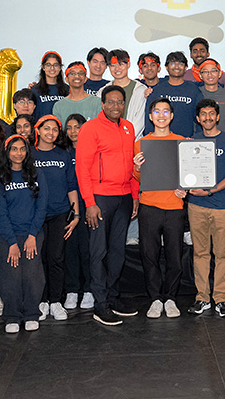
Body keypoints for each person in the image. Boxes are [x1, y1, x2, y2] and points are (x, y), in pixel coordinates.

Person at [75, 86, 140, 326]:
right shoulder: (90, 128)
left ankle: (112, 298)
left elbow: (132, 166)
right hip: (100, 199)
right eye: (111, 102)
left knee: (117, 252)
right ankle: (100, 304)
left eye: (120, 102)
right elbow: (82, 168)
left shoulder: (128, 127)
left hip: (124, 198)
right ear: (102, 104)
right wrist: (90, 203)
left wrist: (134, 195)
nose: (115, 106)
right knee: (98, 252)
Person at [186, 100, 225, 318]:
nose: (207, 117)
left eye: (211, 114)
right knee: (200, 253)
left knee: (222, 254)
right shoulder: (191, 142)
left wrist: (209, 191)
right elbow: (185, 173)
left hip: (222, 207)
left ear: (218, 117)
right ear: (197, 119)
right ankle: (202, 298)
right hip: (196, 206)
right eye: (203, 114)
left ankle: (221, 299)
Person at [133, 98, 186, 319]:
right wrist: (137, 168)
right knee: (149, 255)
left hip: (174, 207)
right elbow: (138, 179)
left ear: (171, 116)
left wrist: (185, 188)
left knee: (175, 255)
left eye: (165, 111)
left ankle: (171, 298)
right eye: (157, 111)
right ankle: (155, 298)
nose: (161, 115)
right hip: (149, 206)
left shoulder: (182, 142)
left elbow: (188, 173)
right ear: (150, 116)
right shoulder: (141, 143)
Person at [0, 135, 48, 333]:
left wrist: (32, 235)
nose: (18, 153)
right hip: (7, 235)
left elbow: (42, 205)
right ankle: (12, 316)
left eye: (22, 149)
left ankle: (31, 313)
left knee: (32, 275)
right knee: (10, 276)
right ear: (6, 152)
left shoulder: (36, 173)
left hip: (32, 233)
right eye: (14, 149)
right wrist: (12, 242)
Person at [32, 115, 81, 322]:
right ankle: (42, 300)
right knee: (39, 259)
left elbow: (71, 186)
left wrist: (76, 214)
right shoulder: (29, 154)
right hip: (35, 216)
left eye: (54, 129)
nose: (50, 133)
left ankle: (56, 301)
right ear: (38, 130)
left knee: (57, 258)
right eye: (46, 128)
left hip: (59, 213)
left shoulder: (63, 154)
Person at [62, 113, 94, 310]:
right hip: (68, 210)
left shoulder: (92, 150)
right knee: (70, 250)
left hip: (89, 206)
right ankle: (72, 290)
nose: (73, 131)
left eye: (77, 127)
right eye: (69, 127)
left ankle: (89, 290)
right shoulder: (62, 152)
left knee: (88, 250)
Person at [144, 51, 204, 138]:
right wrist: (150, 140)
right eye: (172, 64)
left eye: (180, 64)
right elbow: (149, 120)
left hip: (185, 141)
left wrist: (196, 138)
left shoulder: (194, 90)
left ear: (185, 68)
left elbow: (201, 117)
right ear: (166, 67)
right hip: (160, 141)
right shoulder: (157, 91)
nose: (176, 67)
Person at [100, 49, 148, 139]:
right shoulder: (102, 91)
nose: (117, 69)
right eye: (113, 65)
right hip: (107, 141)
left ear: (128, 64)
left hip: (133, 142)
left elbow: (140, 121)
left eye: (121, 64)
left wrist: (125, 138)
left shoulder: (141, 90)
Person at [197, 59, 225, 135]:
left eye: (213, 71)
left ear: (220, 74)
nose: (210, 74)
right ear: (200, 75)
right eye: (205, 71)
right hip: (200, 140)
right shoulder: (195, 94)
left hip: (223, 139)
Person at [32, 51, 69, 120]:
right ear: (43, 67)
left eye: (55, 65)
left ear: (60, 67)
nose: (52, 68)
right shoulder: (35, 90)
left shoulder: (67, 90)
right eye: (48, 65)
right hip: (41, 126)